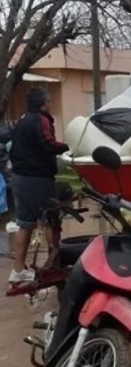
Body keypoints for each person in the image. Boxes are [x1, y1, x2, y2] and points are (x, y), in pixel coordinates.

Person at [8, 88, 69, 283]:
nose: (50, 104)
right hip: (36, 178)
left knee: (25, 223)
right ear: (43, 103)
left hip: (19, 177)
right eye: (49, 101)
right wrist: (67, 147)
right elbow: (47, 144)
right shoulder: (40, 119)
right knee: (50, 219)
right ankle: (54, 265)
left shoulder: (24, 118)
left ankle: (18, 270)